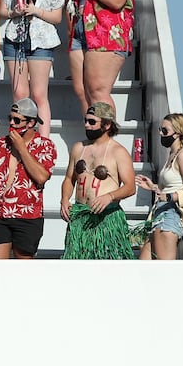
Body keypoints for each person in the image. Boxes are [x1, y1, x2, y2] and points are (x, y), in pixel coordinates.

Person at [0, 98, 56, 260]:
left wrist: (22, 149)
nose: (11, 123)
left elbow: (41, 177)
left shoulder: (45, 145)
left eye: (17, 120)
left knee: (22, 273)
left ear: (31, 122)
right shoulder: (0, 144)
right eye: (10, 118)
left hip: (27, 215)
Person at [0, 0, 65, 134]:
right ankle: (20, 134)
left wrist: (36, 11)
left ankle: (43, 141)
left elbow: (57, 17)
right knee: (20, 92)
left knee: (39, 94)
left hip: (42, 41)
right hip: (15, 38)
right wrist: (14, 12)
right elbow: (2, 11)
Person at [60, 101, 136, 260]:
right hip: (80, 217)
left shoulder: (118, 152)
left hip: (106, 218)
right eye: (85, 121)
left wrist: (109, 197)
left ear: (107, 125)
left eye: (92, 122)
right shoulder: (78, 148)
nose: (87, 125)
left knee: (107, 268)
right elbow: (69, 179)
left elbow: (130, 187)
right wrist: (64, 199)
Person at [137, 113, 183, 262]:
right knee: (143, 268)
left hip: (170, 214)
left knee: (164, 270)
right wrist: (154, 187)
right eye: (160, 129)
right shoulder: (172, 155)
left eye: (164, 131)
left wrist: (169, 197)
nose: (160, 133)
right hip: (160, 212)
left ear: (177, 133)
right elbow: (171, 186)